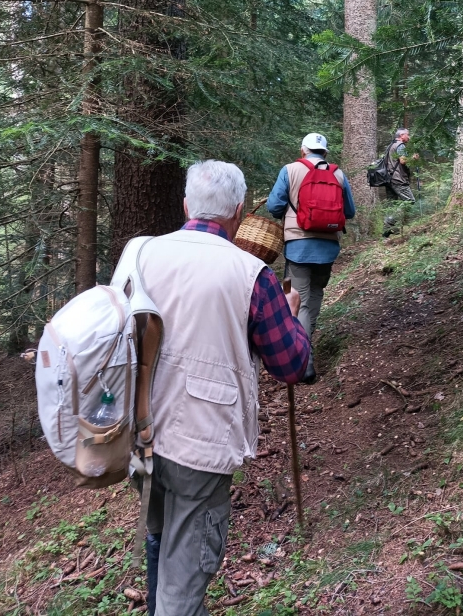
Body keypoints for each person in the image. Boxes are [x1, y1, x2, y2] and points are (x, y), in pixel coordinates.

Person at [128, 161, 310, 616]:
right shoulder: (252, 274)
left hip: (137, 430)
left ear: (186, 206)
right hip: (201, 441)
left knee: (160, 534)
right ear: (239, 212)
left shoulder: (141, 255)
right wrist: (290, 316)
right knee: (184, 576)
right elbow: (291, 364)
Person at [267, 133, 356, 384]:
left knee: (298, 301)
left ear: (303, 150)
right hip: (327, 247)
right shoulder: (338, 174)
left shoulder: (290, 170)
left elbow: (274, 206)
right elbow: (349, 211)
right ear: (325, 152)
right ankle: (304, 346)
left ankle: (303, 362)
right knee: (314, 296)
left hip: (297, 246)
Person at [385, 128, 418, 203]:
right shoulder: (400, 145)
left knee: (392, 204)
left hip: (388, 178)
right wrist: (413, 158)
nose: (409, 137)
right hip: (398, 179)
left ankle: (392, 212)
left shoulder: (391, 145)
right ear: (402, 135)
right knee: (410, 201)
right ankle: (402, 211)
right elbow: (403, 161)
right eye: (407, 135)